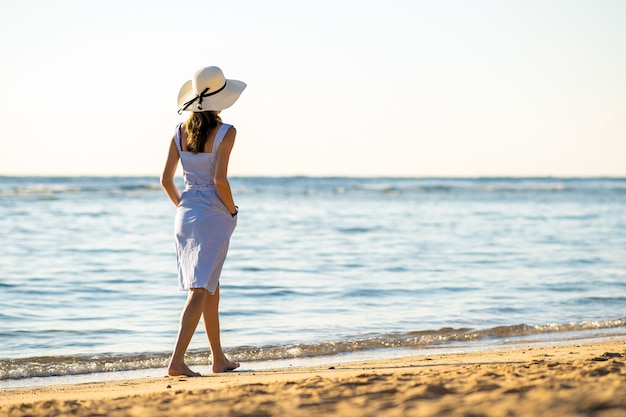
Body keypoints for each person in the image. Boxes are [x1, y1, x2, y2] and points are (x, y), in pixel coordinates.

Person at [160, 66, 246, 377]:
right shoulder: (227, 132)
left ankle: (218, 358)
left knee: (211, 284)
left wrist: (185, 205)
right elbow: (220, 180)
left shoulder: (178, 132)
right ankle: (177, 361)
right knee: (200, 287)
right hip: (213, 211)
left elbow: (166, 181)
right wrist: (231, 210)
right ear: (220, 100)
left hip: (186, 212)